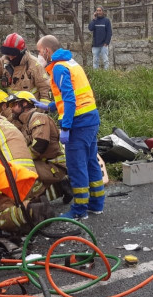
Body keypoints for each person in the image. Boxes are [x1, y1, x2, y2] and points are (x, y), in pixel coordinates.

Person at [36, 35, 104, 220]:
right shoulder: (71, 63)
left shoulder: (58, 68)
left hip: (78, 123)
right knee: (90, 162)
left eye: (38, 52)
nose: (38, 56)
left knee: (76, 166)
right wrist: (49, 106)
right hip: (90, 118)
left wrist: (65, 127)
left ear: (47, 51)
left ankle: (79, 210)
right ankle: (97, 204)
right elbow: (71, 96)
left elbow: (70, 99)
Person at [0, 97, 53, 234]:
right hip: (28, 176)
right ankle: (29, 207)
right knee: (13, 203)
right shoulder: (6, 123)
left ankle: (30, 211)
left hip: (13, 176)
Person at [8, 91, 72, 203]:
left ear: (24, 104)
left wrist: (19, 160)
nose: (11, 109)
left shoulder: (38, 118)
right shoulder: (25, 123)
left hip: (55, 166)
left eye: (14, 105)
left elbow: (40, 145)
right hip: (44, 164)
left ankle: (37, 204)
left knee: (24, 175)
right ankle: (61, 187)